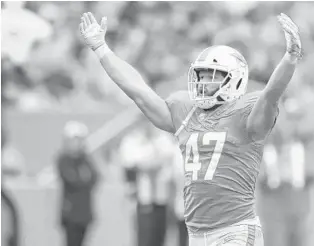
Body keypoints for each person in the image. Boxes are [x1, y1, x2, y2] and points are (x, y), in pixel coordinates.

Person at [79, 11, 302, 246]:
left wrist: (289, 59)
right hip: (196, 233)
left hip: (234, 230)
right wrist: (102, 50)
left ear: (235, 80)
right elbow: (138, 91)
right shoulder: (186, 111)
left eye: (212, 77)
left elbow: (271, 96)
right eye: (201, 76)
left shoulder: (245, 113)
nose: (203, 83)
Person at [57, 121, 100, 246]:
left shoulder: (85, 159)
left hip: (85, 213)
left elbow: (94, 178)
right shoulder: (64, 159)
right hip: (71, 214)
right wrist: (83, 178)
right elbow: (73, 180)